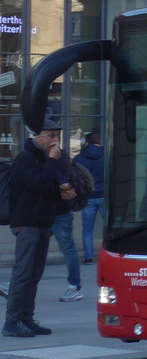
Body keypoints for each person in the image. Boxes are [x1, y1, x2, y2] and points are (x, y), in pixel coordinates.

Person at [4, 119, 76, 338]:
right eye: (51, 135)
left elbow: (52, 187)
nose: (55, 140)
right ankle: (12, 322)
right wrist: (53, 162)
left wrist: (65, 194)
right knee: (23, 273)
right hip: (27, 223)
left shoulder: (49, 159)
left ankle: (27, 318)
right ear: (38, 137)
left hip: (44, 222)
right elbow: (38, 184)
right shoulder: (26, 158)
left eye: (57, 136)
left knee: (35, 274)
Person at [75, 130, 105, 263]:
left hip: (88, 197)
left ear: (86, 142)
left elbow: (75, 176)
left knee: (87, 229)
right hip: (104, 194)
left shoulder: (79, 158)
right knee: (109, 226)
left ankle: (88, 257)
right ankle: (110, 252)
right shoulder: (107, 154)